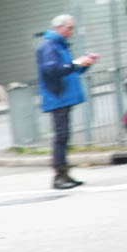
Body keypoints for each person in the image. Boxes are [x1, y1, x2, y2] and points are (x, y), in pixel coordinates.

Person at [36, 14, 98, 190]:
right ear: (59, 28)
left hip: (64, 96)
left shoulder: (59, 46)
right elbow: (51, 70)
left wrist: (84, 64)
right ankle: (59, 176)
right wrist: (74, 64)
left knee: (64, 137)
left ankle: (65, 173)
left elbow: (70, 71)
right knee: (61, 136)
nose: (72, 32)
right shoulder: (49, 46)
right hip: (57, 97)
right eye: (70, 28)